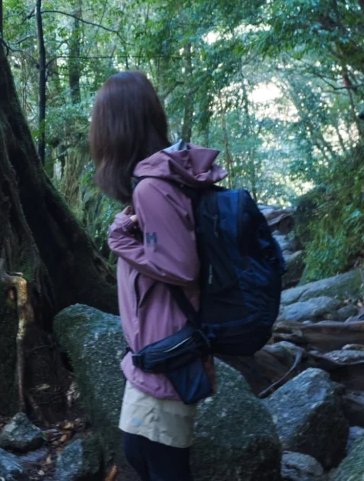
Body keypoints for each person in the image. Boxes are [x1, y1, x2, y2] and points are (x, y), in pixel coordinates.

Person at [89, 71, 225, 481]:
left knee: (162, 465)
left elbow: (181, 266)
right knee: (140, 452)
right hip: (153, 357)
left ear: (117, 128)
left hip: (170, 354)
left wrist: (122, 241)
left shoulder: (153, 187)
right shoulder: (155, 183)